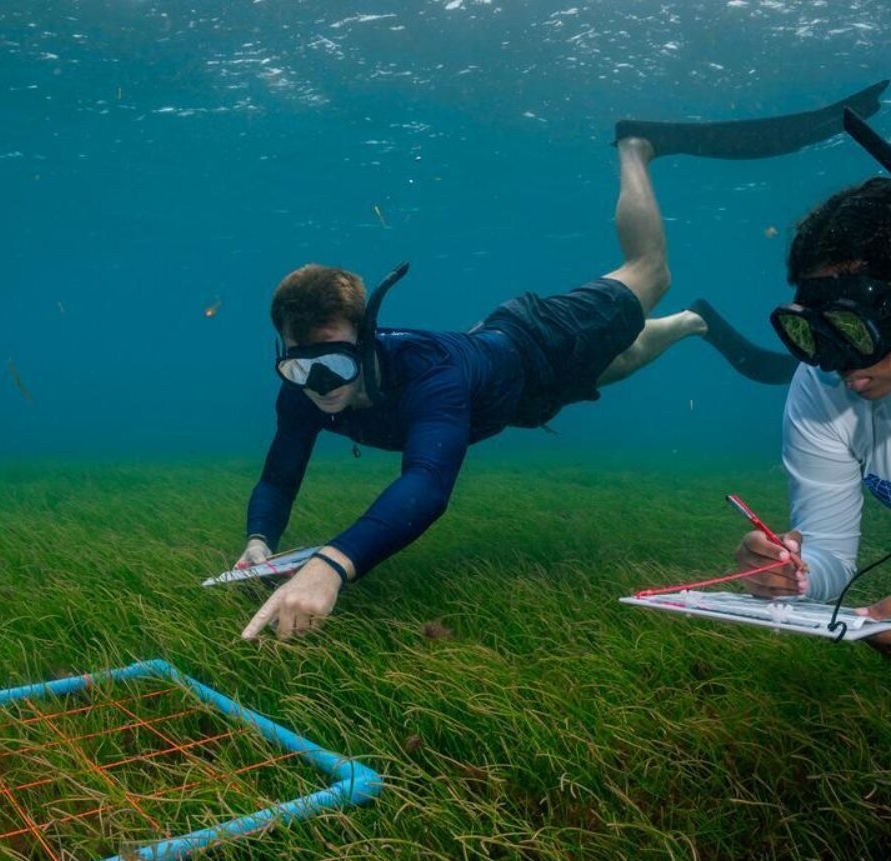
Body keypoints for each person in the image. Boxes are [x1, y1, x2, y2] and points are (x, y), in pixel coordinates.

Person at [238, 83, 888, 640]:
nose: (319, 388)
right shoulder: (301, 389)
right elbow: (279, 473)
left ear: (368, 343)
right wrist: (259, 543)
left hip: (538, 337)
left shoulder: (430, 375)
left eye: (334, 368)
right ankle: (691, 324)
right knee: (620, 361)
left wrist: (331, 564)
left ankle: (636, 148)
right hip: (519, 398)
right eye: (301, 370)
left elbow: (426, 486)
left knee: (649, 273)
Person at [733, 170, 891, 653]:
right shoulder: (822, 387)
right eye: (815, 334)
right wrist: (791, 572)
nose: (838, 364)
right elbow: (830, 554)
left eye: (853, 329)